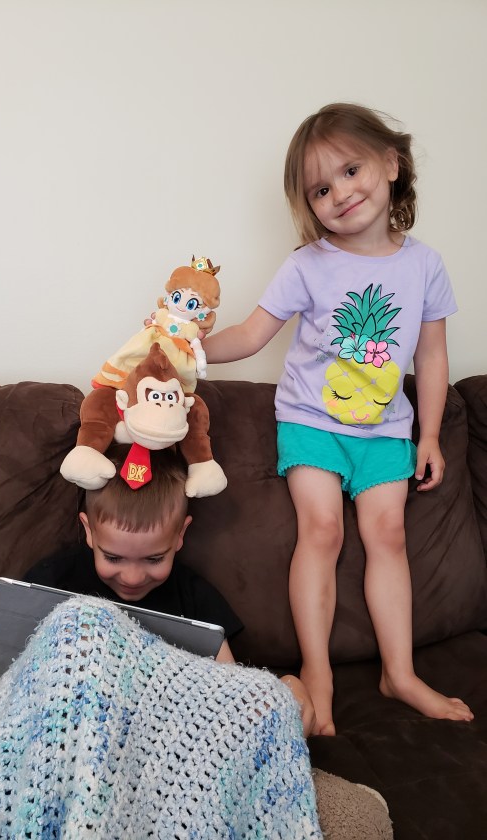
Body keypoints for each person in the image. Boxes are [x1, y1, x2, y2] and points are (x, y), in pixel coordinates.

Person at [202, 102, 474, 736]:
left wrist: (431, 435)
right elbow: (250, 334)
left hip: (386, 429)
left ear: (392, 163)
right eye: (320, 189)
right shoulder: (307, 264)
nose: (340, 193)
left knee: (389, 536)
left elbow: (432, 356)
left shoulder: (424, 266)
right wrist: (184, 348)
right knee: (321, 530)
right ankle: (317, 671)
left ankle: (399, 673)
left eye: (351, 171)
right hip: (311, 421)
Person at [0, 445, 315, 818]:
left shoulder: (195, 597)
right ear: (88, 530)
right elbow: (2, 674)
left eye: (154, 559)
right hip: (64, 733)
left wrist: (283, 692)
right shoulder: (53, 581)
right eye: (113, 557)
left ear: (180, 535)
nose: (132, 577)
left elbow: (226, 689)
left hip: (148, 749)